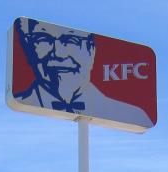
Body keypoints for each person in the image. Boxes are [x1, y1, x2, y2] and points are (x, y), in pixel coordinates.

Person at [13, 18, 152, 128]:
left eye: (71, 41)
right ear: (28, 48)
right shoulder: (19, 106)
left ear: (91, 51)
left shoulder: (133, 115)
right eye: (42, 39)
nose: (59, 53)